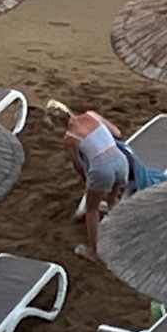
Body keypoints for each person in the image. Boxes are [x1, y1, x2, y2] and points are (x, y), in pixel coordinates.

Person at [44, 100, 129, 261]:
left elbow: (78, 165)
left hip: (102, 170)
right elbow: (117, 133)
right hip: (120, 161)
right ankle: (125, 235)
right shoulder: (92, 115)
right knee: (112, 200)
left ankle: (93, 251)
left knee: (91, 210)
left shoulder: (70, 138)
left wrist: (87, 181)